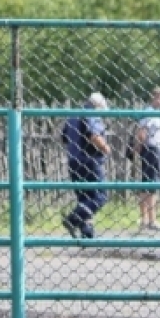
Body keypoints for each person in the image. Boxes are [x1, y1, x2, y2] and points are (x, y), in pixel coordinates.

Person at [61, 92, 111, 239]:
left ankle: (87, 231)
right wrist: (105, 148)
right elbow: (93, 135)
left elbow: (64, 137)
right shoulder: (90, 114)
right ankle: (73, 218)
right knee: (100, 196)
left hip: (73, 160)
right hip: (90, 160)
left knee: (84, 197)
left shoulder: (73, 116)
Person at [131, 87, 160, 231]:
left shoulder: (154, 113)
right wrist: (138, 148)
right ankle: (151, 220)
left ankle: (145, 219)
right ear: (157, 97)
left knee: (147, 182)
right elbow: (142, 133)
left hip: (153, 150)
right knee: (151, 184)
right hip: (152, 150)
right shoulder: (150, 113)